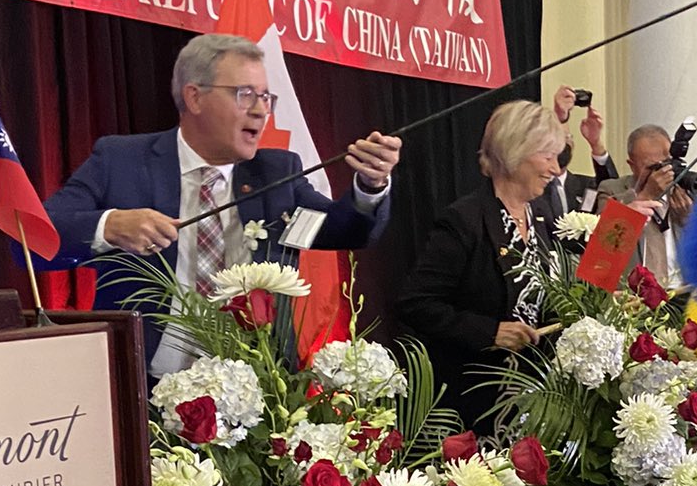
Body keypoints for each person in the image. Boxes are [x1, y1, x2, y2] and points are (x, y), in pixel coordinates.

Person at [44, 33, 401, 371]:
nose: (262, 111)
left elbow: (348, 229)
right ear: (195, 97)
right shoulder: (120, 161)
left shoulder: (277, 174)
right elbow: (34, 237)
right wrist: (109, 225)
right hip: (142, 389)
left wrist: (371, 184)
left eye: (266, 98)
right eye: (246, 94)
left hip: (259, 393)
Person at [397, 99, 560, 429]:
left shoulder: (542, 215)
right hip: (474, 406)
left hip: (533, 402)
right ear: (516, 152)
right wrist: (489, 332)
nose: (555, 169)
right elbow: (415, 304)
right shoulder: (464, 221)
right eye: (548, 156)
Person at [596, 125, 694, 286]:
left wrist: (689, 220)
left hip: (682, 292)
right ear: (632, 165)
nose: (661, 172)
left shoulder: (686, 190)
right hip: (637, 297)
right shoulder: (611, 190)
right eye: (651, 167)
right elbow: (603, 239)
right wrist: (646, 194)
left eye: (666, 163)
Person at [539, 86, 616, 224]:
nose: (562, 145)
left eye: (567, 138)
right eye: (556, 140)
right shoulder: (533, 187)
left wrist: (596, 143)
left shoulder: (586, 186)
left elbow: (614, 190)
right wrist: (560, 116)